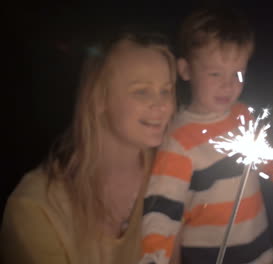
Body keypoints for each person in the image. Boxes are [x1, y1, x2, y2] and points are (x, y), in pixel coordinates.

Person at [1, 27, 177, 264]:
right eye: (142, 91)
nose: (162, 105)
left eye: (166, 90)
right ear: (98, 98)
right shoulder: (36, 209)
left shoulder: (172, 176)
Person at [140, 7, 273, 264]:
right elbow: (162, 212)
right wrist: (154, 257)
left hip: (261, 254)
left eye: (237, 74)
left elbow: (269, 165)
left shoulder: (244, 115)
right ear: (185, 70)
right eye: (215, 73)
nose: (228, 85)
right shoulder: (179, 140)